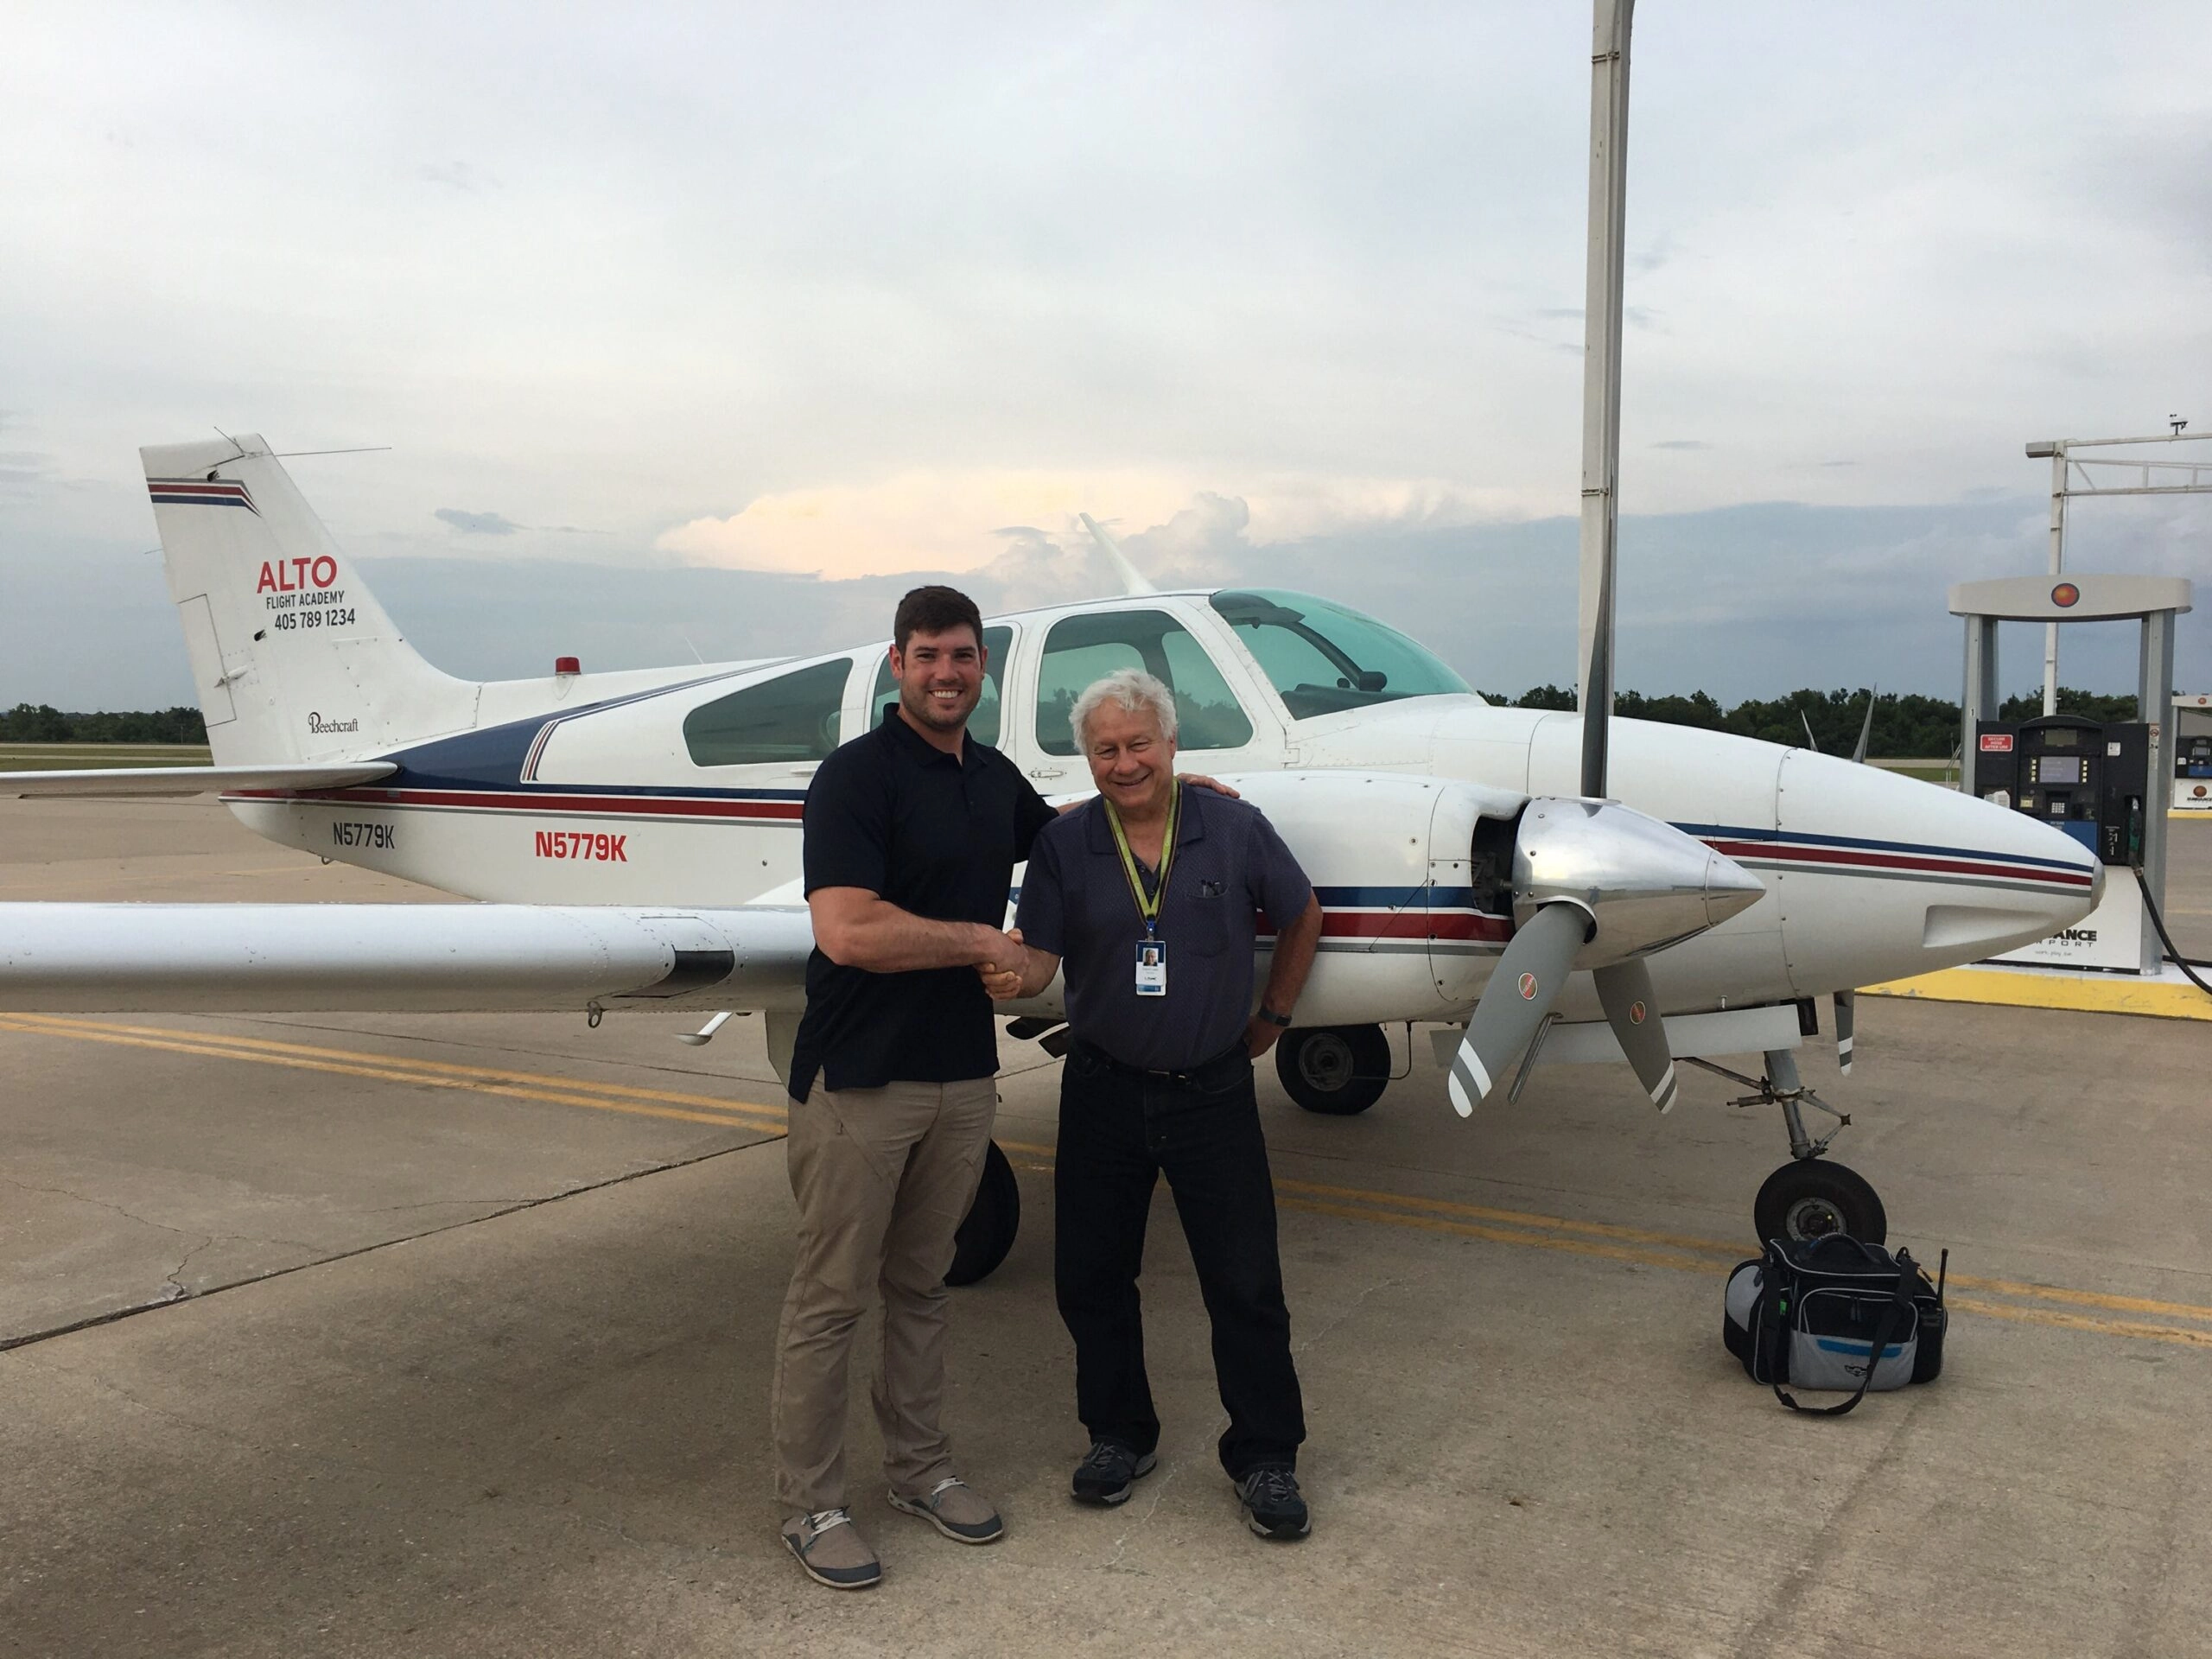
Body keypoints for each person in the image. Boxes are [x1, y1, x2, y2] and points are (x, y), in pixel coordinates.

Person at [985, 667, 1328, 1541]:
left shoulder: (1233, 827)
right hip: (1101, 1089)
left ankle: (1264, 1455)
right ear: (1087, 758)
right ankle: (1117, 1435)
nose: (1124, 762)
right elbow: (1041, 966)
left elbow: (1301, 914)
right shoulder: (1066, 847)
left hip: (1211, 1091)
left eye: (1140, 744)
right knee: (1092, 1278)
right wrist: (1004, 967)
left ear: (1172, 745)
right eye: (1105, 749)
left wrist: (1274, 1016)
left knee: (1245, 1284)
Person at [773, 584, 1046, 1590]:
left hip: (960, 1074)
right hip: (860, 1076)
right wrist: (981, 938)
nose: (947, 673)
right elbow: (846, 930)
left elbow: (1066, 842)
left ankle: (920, 1472)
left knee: (922, 1288)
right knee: (830, 1298)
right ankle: (812, 1505)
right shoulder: (856, 778)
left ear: (984, 667)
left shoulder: (990, 776)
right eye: (928, 655)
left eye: (963, 656)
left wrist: (1175, 801)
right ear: (898, 664)